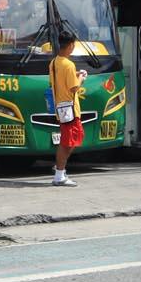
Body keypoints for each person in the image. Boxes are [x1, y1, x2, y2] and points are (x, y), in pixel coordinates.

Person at [49, 26, 86, 186]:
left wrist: (75, 74)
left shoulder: (55, 62)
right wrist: (82, 78)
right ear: (70, 45)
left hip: (61, 107)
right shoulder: (69, 64)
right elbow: (74, 88)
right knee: (68, 142)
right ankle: (59, 174)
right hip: (70, 109)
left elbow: (58, 80)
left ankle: (60, 168)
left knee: (70, 139)